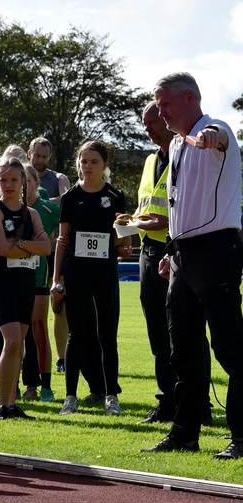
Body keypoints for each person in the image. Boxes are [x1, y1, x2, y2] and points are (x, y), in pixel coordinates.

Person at [143, 72, 243, 460]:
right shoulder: (178, 146)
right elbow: (183, 207)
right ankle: (185, 432)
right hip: (184, 254)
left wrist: (214, 137)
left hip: (216, 252)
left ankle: (241, 434)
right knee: (182, 347)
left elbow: (217, 134)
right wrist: (172, 249)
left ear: (189, 98)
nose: (160, 112)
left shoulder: (214, 132)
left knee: (230, 347)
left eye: (165, 104)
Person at [134, 101, 210, 425]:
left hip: (178, 251)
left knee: (187, 333)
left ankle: (198, 405)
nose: (149, 127)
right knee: (157, 334)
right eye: (145, 122)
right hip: (147, 253)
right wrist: (131, 224)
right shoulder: (151, 160)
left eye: (153, 120)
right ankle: (167, 401)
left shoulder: (187, 154)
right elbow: (147, 205)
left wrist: (156, 224)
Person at [51, 140, 129, 416]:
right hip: (76, 273)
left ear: (105, 165)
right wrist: (56, 278)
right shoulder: (71, 197)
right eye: (84, 161)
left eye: (94, 161)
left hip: (105, 273)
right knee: (76, 335)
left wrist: (126, 242)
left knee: (107, 335)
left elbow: (124, 242)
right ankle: (70, 397)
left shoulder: (115, 196)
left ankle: (111, 396)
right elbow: (62, 240)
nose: (88, 167)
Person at [0, 157, 51, 419]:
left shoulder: (31, 214)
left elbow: (46, 248)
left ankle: (11, 404)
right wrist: (28, 244)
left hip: (26, 283)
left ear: (24, 181)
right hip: (4, 284)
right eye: (3, 180)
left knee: (19, 345)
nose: (8, 184)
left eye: (13, 179)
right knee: (11, 342)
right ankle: (3, 406)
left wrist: (19, 243)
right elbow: (1, 249)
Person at [29, 137, 71, 375]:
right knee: (30, 312)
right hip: (29, 253)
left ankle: (61, 357)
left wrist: (38, 200)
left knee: (59, 305)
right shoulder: (20, 174)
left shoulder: (58, 178)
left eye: (45, 157)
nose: (41, 161)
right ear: (30, 153)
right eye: (37, 156)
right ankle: (31, 360)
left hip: (55, 251)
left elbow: (67, 199)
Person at [20, 165, 60, 402]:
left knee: (37, 330)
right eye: (19, 181)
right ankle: (22, 385)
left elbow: (64, 235)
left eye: (28, 181)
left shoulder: (49, 209)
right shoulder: (5, 209)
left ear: (37, 183)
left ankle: (45, 386)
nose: (24, 187)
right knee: (15, 335)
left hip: (38, 276)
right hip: (12, 278)